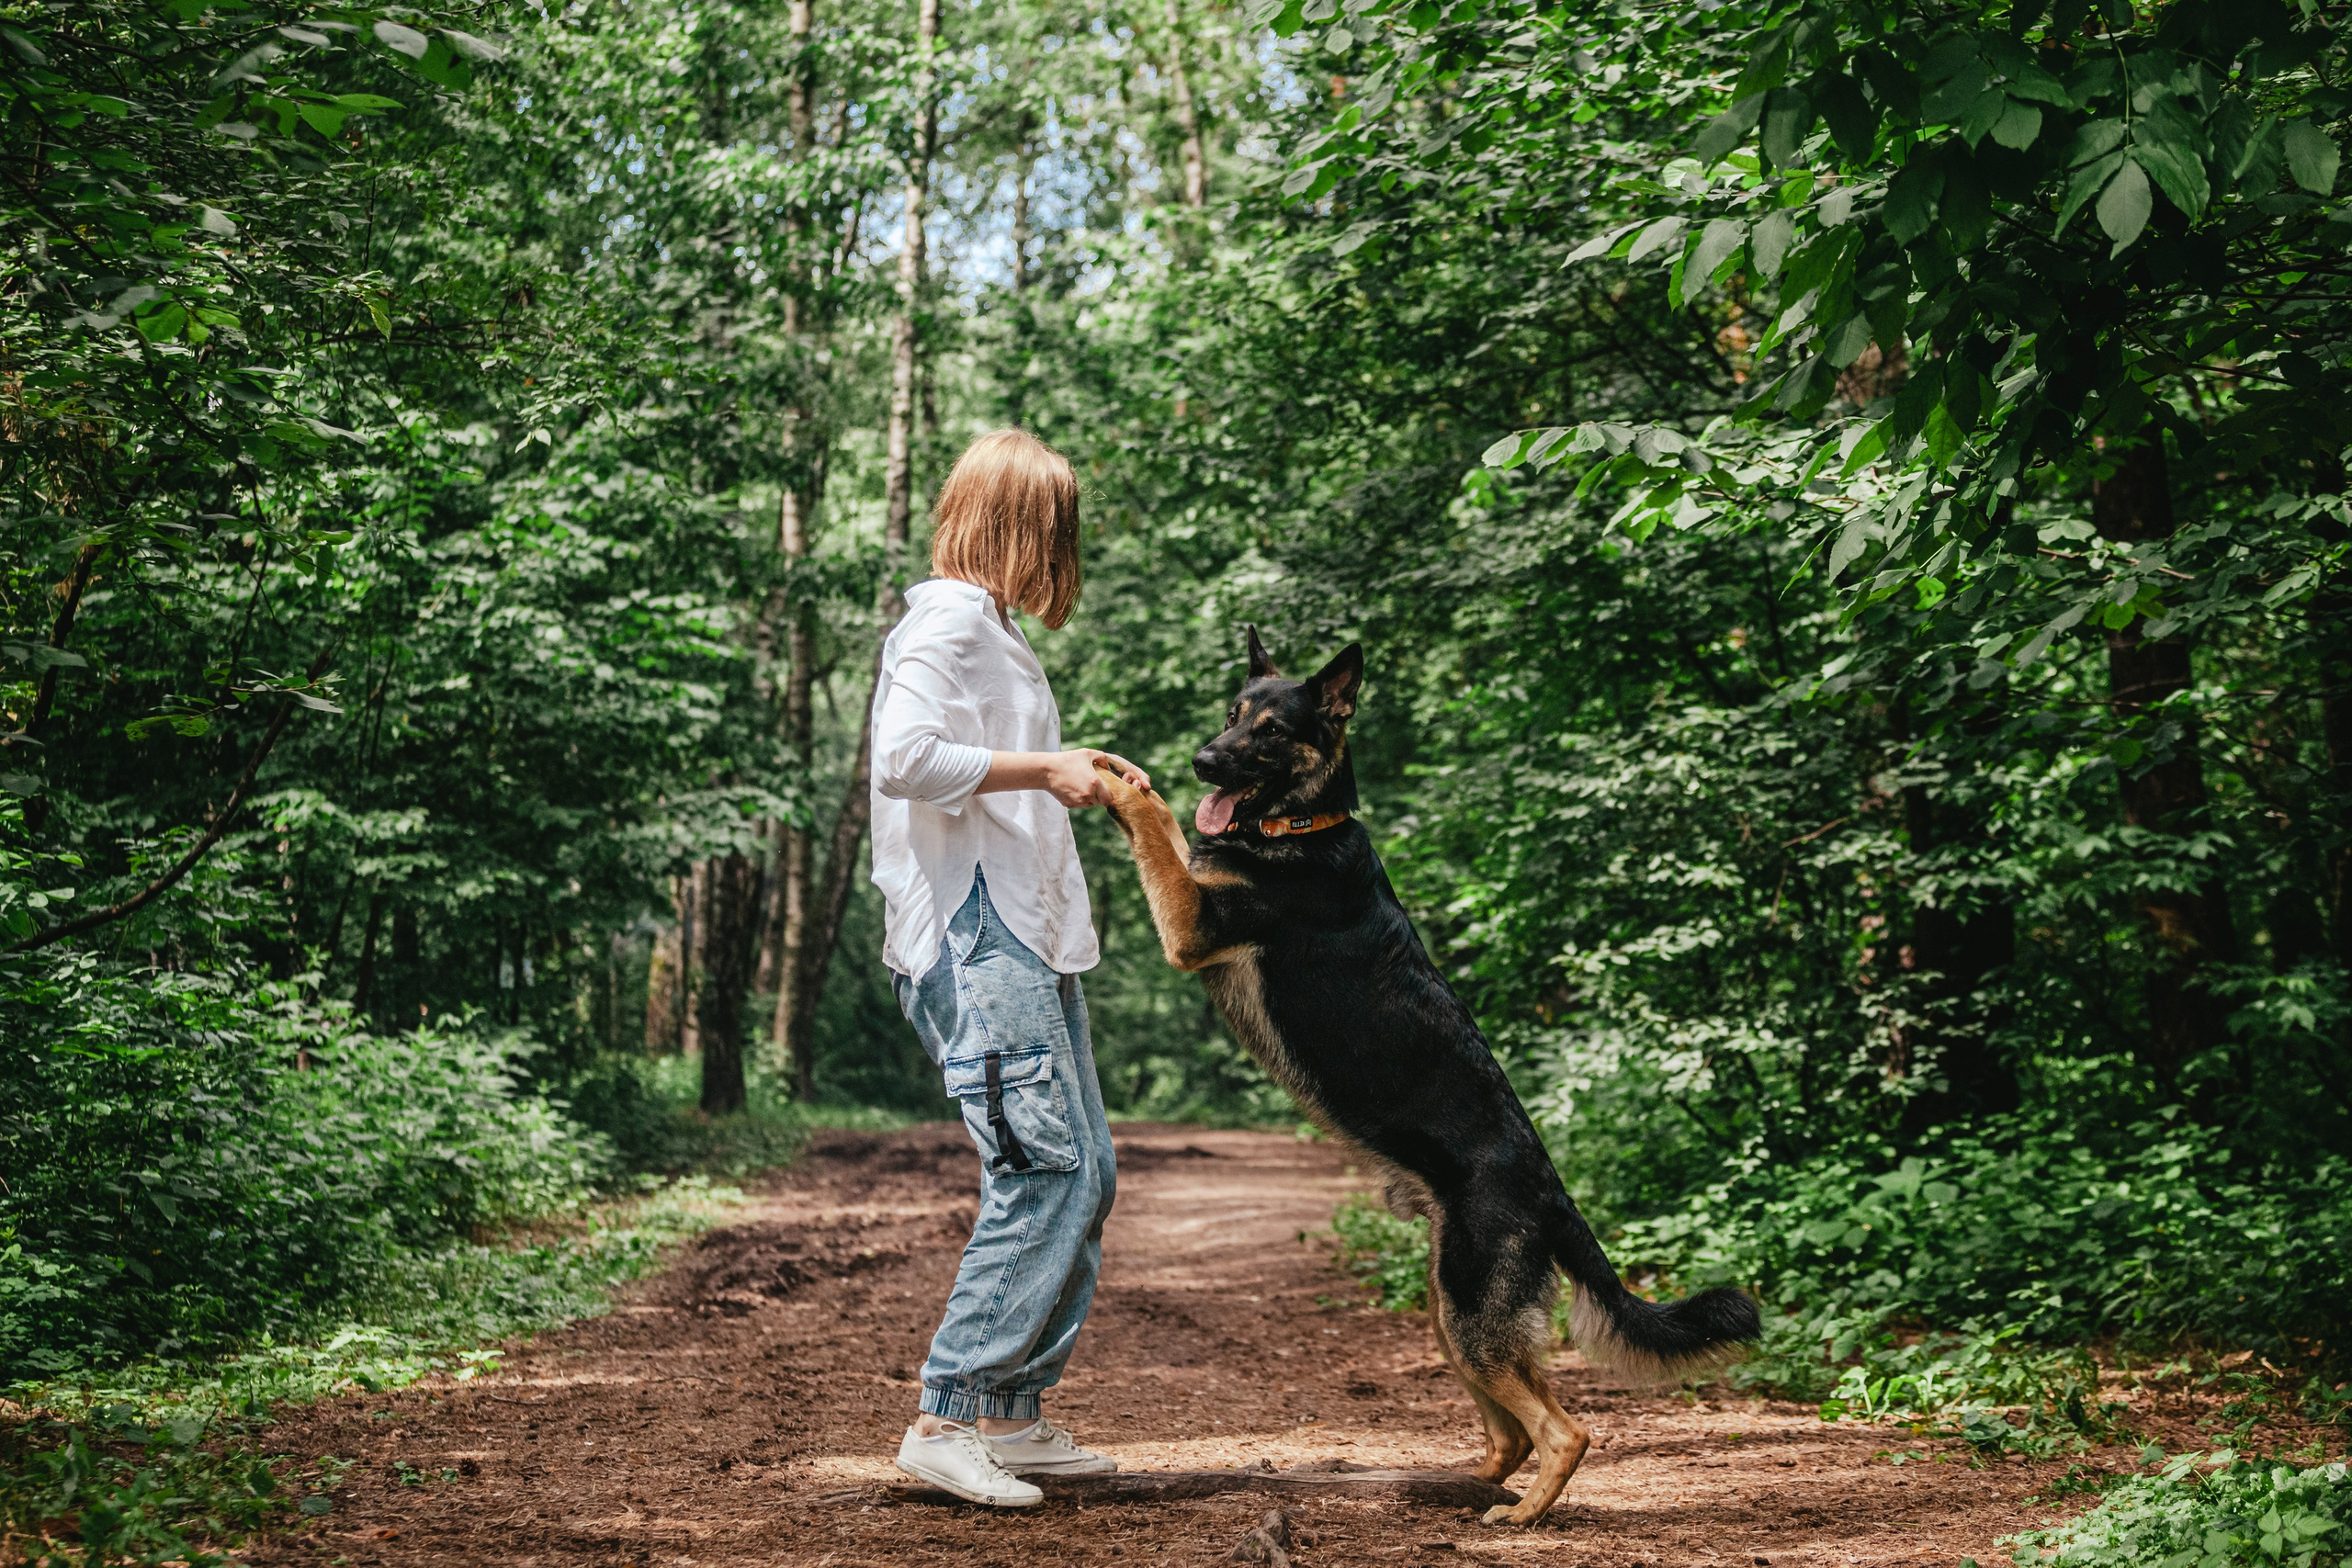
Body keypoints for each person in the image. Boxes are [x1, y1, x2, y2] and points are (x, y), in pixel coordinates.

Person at [869, 429, 1148, 1507]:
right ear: (1024, 527)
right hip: (974, 935)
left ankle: (1009, 1414)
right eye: (1058, 527)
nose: (1066, 548)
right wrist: (1046, 767)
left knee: (1087, 1174)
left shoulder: (991, 626)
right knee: (1043, 1172)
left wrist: (1070, 770)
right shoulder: (945, 618)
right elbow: (904, 759)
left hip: (1023, 934)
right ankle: (945, 1417)